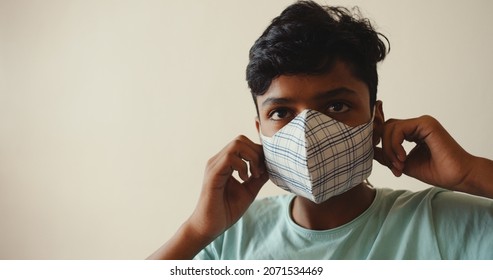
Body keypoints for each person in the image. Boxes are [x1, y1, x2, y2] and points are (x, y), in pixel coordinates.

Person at [148, 0, 493, 259]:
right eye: (282, 112)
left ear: (376, 118)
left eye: (336, 106)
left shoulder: (441, 225)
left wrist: (471, 174)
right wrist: (196, 231)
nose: (308, 130)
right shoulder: (230, 238)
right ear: (260, 130)